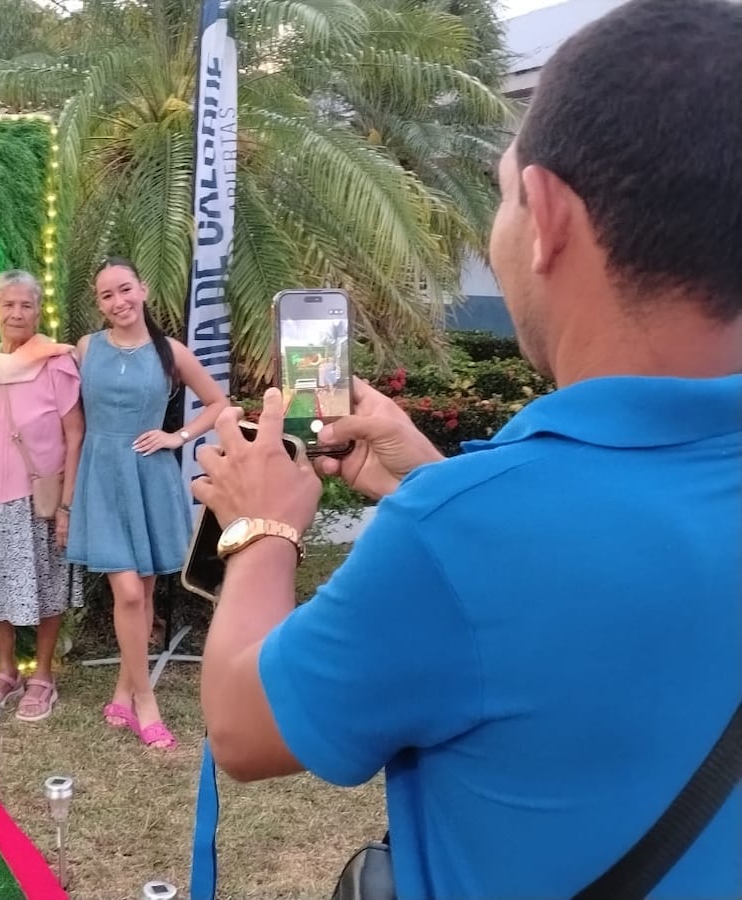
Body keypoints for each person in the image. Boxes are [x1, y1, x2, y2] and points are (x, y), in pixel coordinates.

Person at [192, 0, 742, 896]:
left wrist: (260, 528)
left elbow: (245, 730)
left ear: (549, 214)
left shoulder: (462, 534)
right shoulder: (475, 521)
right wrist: (436, 478)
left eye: (500, 194)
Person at [66, 256, 228, 749]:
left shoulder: (169, 352)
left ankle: (121, 691)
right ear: (98, 304)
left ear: (144, 289)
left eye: (124, 290)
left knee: (146, 590)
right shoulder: (85, 348)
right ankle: (144, 702)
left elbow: (220, 403)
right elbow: (39, 373)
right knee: (129, 594)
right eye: (106, 296)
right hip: (102, 475)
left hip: (151, 476)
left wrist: (177, 436)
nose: (118, 302)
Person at [0, 270, 84, 722]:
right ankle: (6, 670)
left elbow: (75, 435)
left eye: (25, 305)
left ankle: (43, 675)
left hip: (41, 502)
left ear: (37, 310)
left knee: (47, 589)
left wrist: (67, 506)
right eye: (7, 305)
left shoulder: (56, 363)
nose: (16, 313)